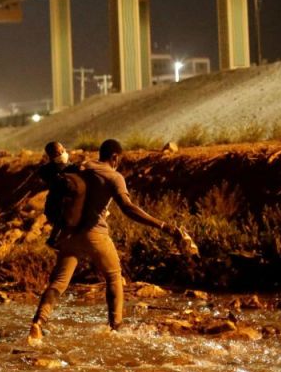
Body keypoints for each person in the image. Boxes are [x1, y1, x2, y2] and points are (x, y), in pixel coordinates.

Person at [28, 138, 182, 343]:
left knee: (58, 283)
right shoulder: (114, 176)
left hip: (70, 235)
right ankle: (115, 327)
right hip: (95, 234)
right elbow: (128, 209)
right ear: (115, 157)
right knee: (114, 276)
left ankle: (38, 323)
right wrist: (163, 226)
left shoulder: (84, 166)